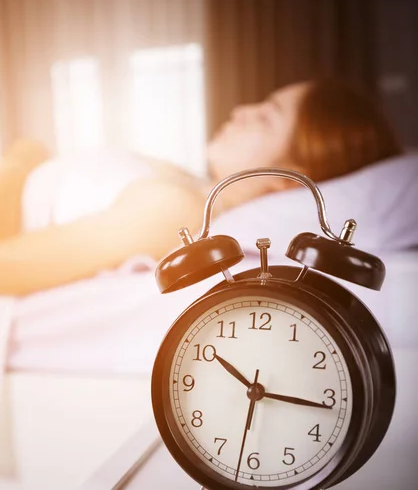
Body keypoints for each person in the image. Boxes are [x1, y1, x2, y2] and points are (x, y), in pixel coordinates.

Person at [4, 79, 418, 374]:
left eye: (266, 116)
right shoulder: (185, 183)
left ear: (290, 175)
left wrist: (19, 162)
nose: (242, 110)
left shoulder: (174, 209)